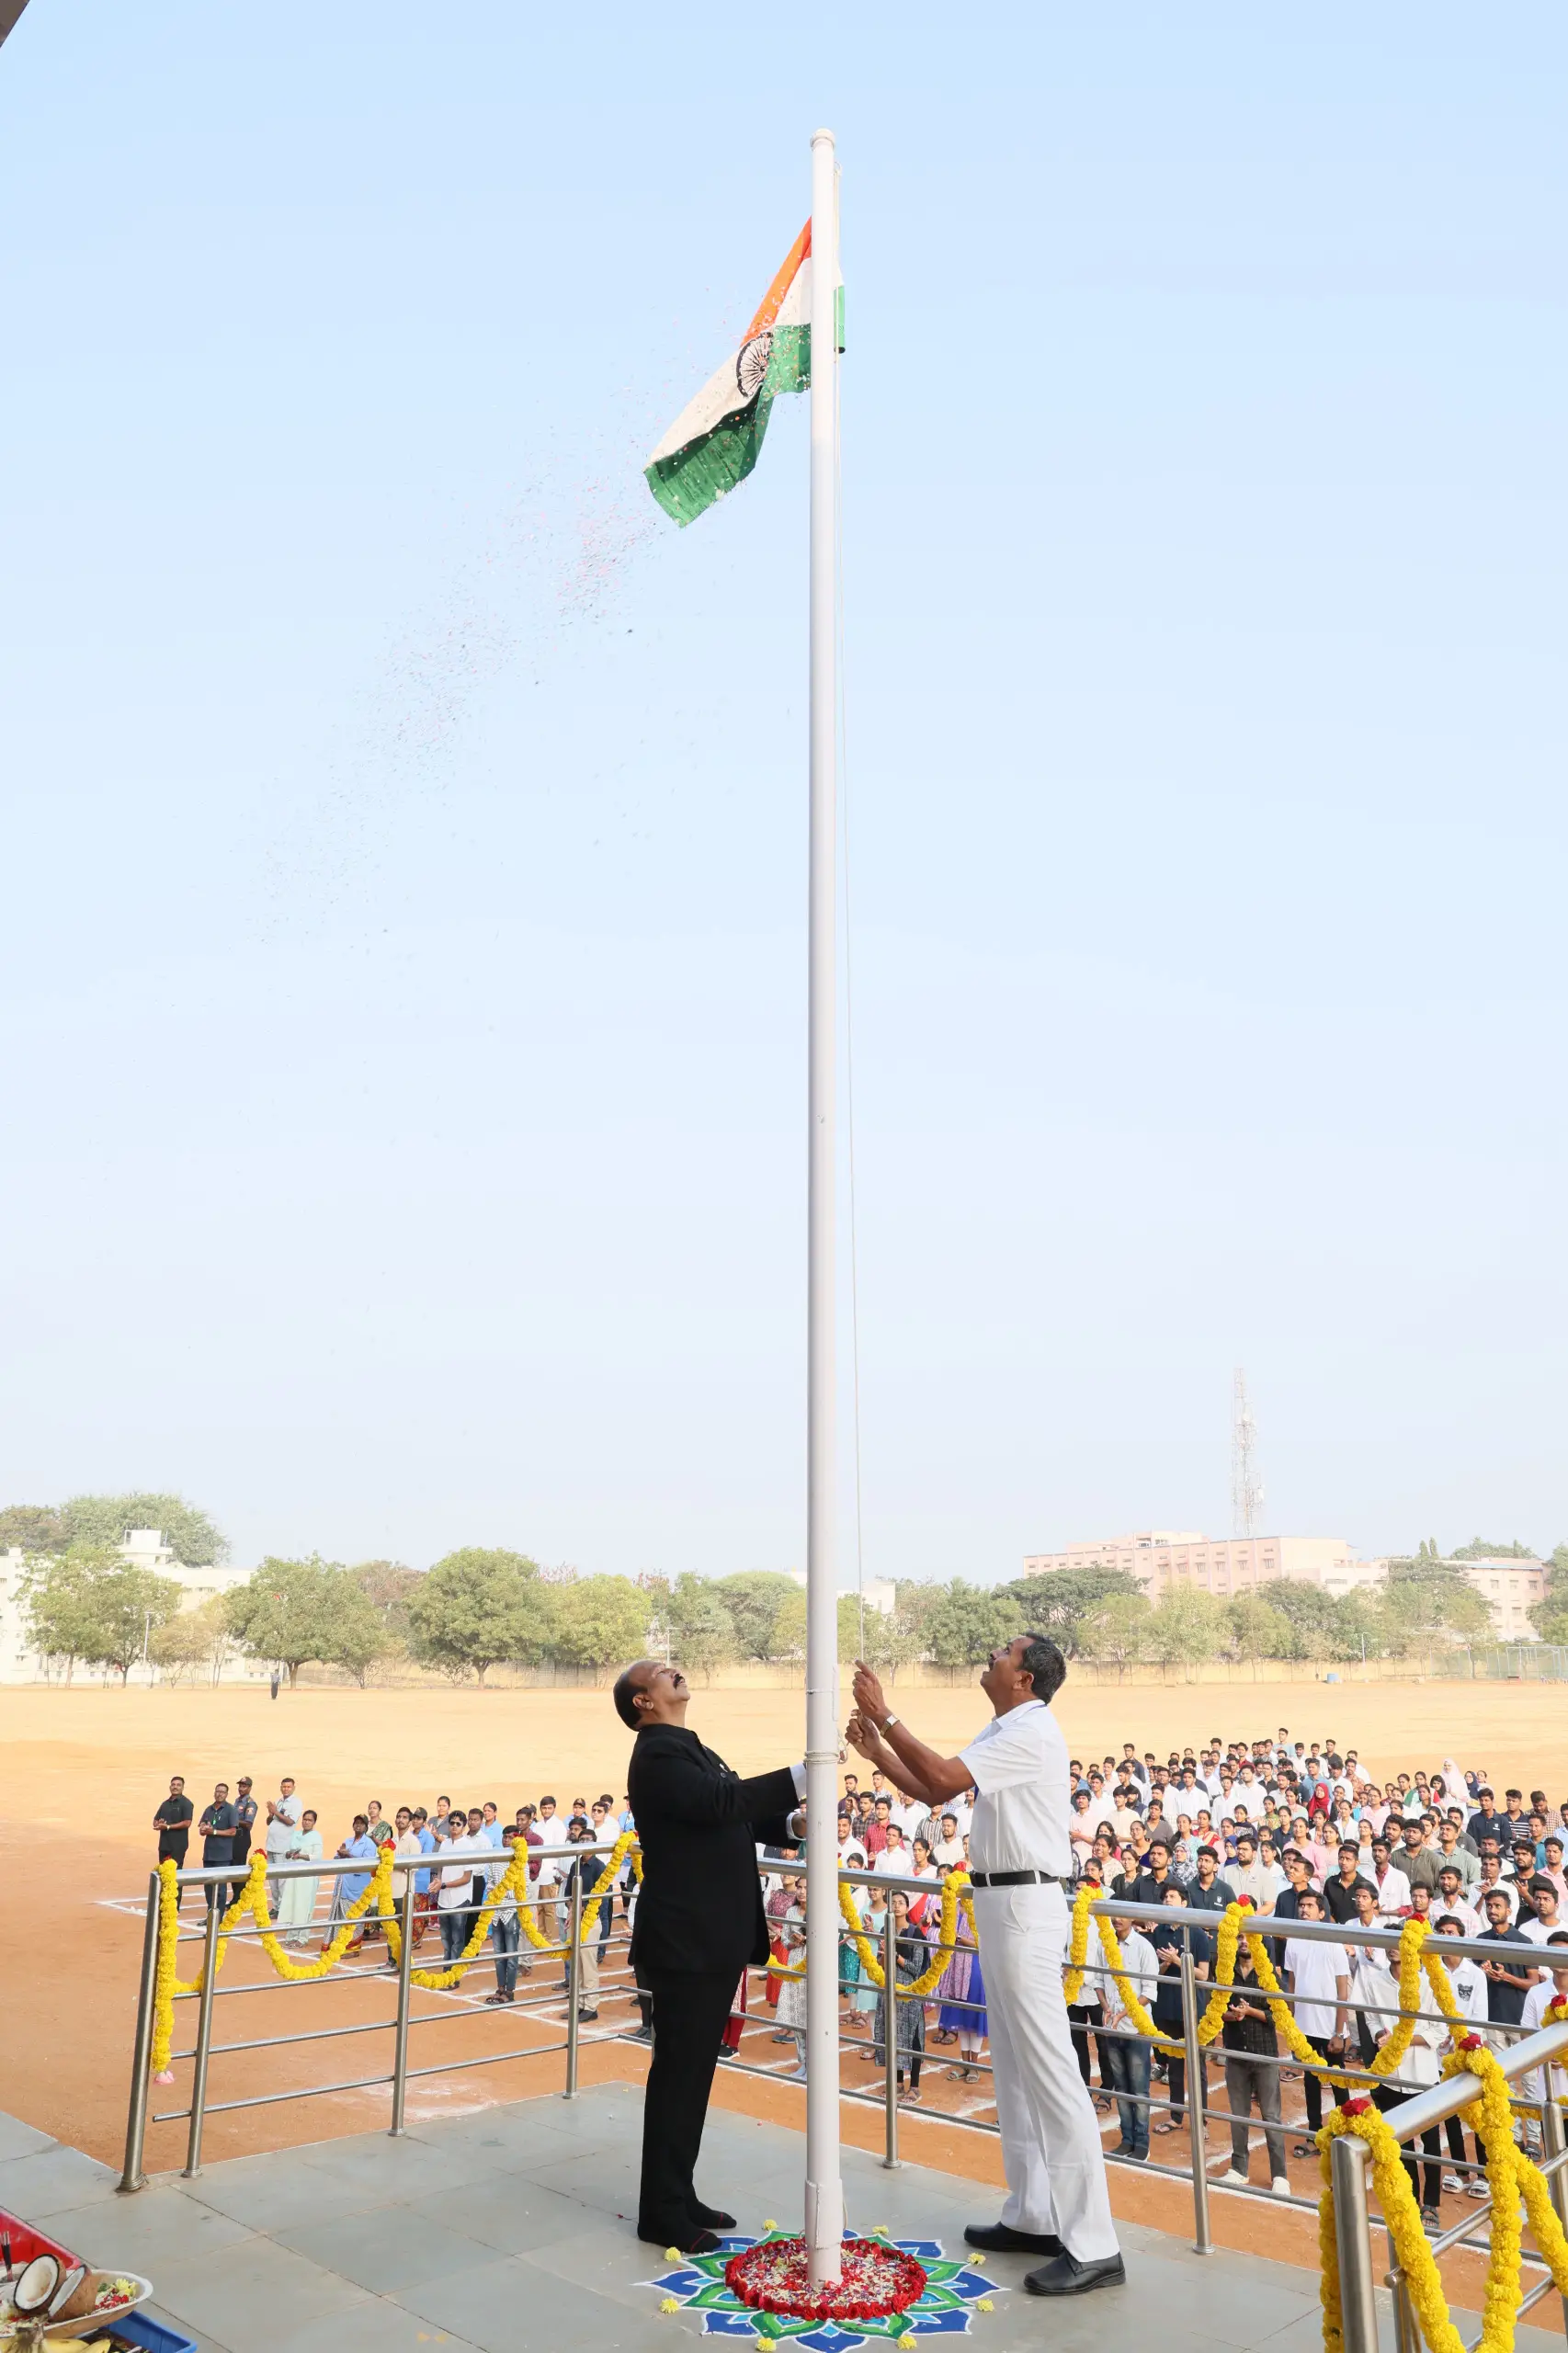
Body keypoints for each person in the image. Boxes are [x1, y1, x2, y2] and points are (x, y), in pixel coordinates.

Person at [848, 1638, 1124, 2299]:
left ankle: (1094, 2242)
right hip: (1000, 1903)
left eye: (1002, 1653)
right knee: (1015, 2069)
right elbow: (934, 1789)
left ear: (1023, 1678)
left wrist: (887, 1718)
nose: (990, 1657)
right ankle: (1031, 2213)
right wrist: (878, 1755)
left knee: (1051, 2071)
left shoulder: (1032, 1728)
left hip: (1026, 1905)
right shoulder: (1007, 1726)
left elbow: (942, 1778)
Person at [616, 1657, 804, 2255]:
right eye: (659, 1671)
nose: (673, 1671)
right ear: (644, 1701)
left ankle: (679, 2193)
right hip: (686, 1941)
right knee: (678, 2076)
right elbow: (722, 1803)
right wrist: (806, 1773)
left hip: (708, 1938)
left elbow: (733, 1816)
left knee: (692, 2076)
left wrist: (797, 1823)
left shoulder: (689, 1749)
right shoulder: (657, 1755)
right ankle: (661, 2212)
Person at [1211, 1938, 1289, 2194]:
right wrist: (1229, 2015)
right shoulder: (1224, 1970)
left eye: (1247, 1937)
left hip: (1264, 2055)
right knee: (1238, 2115)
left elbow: (1280, 2014)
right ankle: (1239, 2168)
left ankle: (1280, 2176)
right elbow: (1214, 2009)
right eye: (1238, 1937)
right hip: (1236, 2054)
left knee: (1271, 2116)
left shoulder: (1269, 1975)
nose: (1243, 1942)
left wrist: (1251, 2012)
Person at [1286, 1889, 1350, 2155]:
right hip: (1304, 2026)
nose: (1304, 1909)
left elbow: (1343, 1991)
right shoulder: (1293, 1939)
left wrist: (1338, 2031)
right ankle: (1315, 2134)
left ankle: (1345, 2134)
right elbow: (1291, 1986)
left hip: (1329, 2027)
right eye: (1302, 1905)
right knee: (1311, 2083)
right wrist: (1291, 2025)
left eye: (1310, 1905)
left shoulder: (1333, 1941)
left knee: (1338, 2081)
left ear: (1322, 1913)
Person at [1096, 1911, 1156, 2164]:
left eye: (1122, 1916)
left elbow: (1149, 1992)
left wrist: (1122, 2013)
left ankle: (1142, 2142)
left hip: (1137, 2030)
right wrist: (1106, 2008)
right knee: (1121, 2087)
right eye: (1114, 1916)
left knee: (1139, 2090)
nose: (1117, 1919)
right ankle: (1127, 2139)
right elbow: (1098, 1981)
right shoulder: (1104, 1944)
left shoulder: (1144, 1948)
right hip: (1113, 2028)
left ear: (1133, 1919)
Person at [276, 1808, 322, 1946]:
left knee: (304, 1905)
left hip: (307, 1876)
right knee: (293, 1903)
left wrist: (301, 1855)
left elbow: (317, 1856)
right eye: (305, 1819)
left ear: (314, 1822)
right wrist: (289, 1854)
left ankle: (302, 1938)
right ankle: (291, 1935)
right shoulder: (295, 1834)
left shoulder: (316, 1836)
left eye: (310, 1820)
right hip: (294, 1874)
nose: (306, 1822)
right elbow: (286, 1851)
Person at [263, 1778, 301, 1917]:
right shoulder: (279, 1801)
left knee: (282, 1882)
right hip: (272, 1845)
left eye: (288, 1787)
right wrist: (271, 1814)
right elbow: (269, 1822)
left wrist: (276, 1812)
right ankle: (276, 1907)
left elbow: (290, 1821)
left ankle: (283, 1909)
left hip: (283, 1846)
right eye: (284, 1787)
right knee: (273, 1880)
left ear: (293, 1788)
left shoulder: (296, 1802)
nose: (286, 1789)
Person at [198, 1782, 238, 1915]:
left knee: (220, 1889)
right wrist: (204, 1829)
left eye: (222, 1792)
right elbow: (202, 1830)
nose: (219, 1794)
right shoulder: (209, 1809)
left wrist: (214, 1832)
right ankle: (211, 1916)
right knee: (208, 1887)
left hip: (223, 1855)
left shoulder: (231, 1810)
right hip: (209, 1854)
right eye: (217, 1791)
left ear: (226, 1794)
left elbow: (233, 1832)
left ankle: (219, 1918)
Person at [153, 1777, 194, 1904]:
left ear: (182, 1787)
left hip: (178, 1845)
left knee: (175, 1875)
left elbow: (187, 1822)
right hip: (164, 1844)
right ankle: (164, 1902)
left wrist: (169, 1826)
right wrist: (158, 1823)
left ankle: (174, 1905)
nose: (175, 1787)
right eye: (173, 1784)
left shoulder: (186, 1803)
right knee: (164, 1873)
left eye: (178, 1785)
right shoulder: (165, 1804)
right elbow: (155, 1820)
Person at [232, 1779, 257, 1874]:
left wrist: (232, 1821)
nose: (241, 1789)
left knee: (238, 1869)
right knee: (232, 1867)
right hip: (234, 1837)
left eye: (244, 1786)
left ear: (249, 1788)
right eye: (240, 1786)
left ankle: (239, 1889)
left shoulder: (250, 1803)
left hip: (241, 1838)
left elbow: (248, 1824)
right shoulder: (238, 1800)